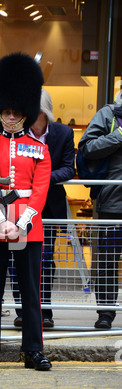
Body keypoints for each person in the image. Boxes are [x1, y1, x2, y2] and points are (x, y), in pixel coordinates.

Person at [0, 52, 52, 372]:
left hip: (27, 228)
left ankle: (33, 351)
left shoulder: (40, 149)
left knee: (30, 292)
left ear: (26, 113)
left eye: (16, 112)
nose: (11, 117)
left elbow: (41, 191)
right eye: (5, 111)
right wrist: (1, 221)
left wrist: (20, 224)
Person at [13, 89, 75, 328]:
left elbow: (69, 168)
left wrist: (41, 178)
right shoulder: (16, 132)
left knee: (45, 260)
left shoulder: (63, 133)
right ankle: (21, 311)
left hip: (48, 208)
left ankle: (44, 311)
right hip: (20, 205)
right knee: (17, 260)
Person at [78, 91, 122, 329]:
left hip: (112, 203)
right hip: (111, 206)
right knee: (106, 262)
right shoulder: (108, 114)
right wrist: (119, 136)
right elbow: (87, 148)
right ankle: (105, 313)